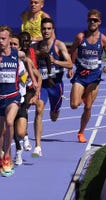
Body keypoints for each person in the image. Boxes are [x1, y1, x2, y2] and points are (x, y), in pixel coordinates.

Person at [0, 25, 33, 177]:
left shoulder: (17, 54)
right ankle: (0, 157)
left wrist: (33, 78)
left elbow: (28, 61)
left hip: (13, 96)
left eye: (3, 39)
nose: (0, 41)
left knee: (10, 122)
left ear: (10, 39)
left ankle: (7, 155)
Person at [67, 9, 106, 143]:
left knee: (88, 107)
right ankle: (84, 95)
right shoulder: (80, 37)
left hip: (94, 76)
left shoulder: (103, 39)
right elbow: (72, 50)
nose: (92, 22)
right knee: (74, 105)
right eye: (90, 19)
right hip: (80, 74)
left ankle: (81, 132)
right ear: (87, 20)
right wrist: (70, 66)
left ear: (99, 22)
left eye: (95, 20)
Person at [32, 18, 72, 157]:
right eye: (44, 29)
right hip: (42, 84)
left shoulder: (58, 45)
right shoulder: (36, 47)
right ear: (41, 30)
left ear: (53, 30)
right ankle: (38, 146)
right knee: (39, 109)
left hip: (56, 84)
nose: (46, 31)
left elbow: (70, 64)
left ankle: (56, 109)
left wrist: (55, 61)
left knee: (54, 116)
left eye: (49, 29)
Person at [11, 33, 42, 166]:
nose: (13, 47)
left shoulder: (26, 61)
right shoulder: (4, 60)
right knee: (9, 125)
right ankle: (18, 150)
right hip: (9, 99)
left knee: (20, 132)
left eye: (15, 45)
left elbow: (39, 77)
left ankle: (25, 138)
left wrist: (36, 94)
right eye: (10, 44)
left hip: (23, 97)